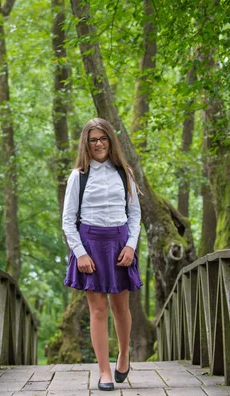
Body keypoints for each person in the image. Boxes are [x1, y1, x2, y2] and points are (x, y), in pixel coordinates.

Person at [62, 118, 142, 391]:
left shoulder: (124, 173)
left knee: (121, 308)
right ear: (86, 143)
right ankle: (104, 371)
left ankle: (123, 354)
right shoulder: (78, 176)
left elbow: (135, 215)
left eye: (103, 138)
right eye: (93, 139)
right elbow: (68, 220)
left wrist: (131, 245)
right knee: (98, 310)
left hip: (120, 245)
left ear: (111, 141)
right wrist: (80, 253)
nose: (98, 144)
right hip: (90, 246)